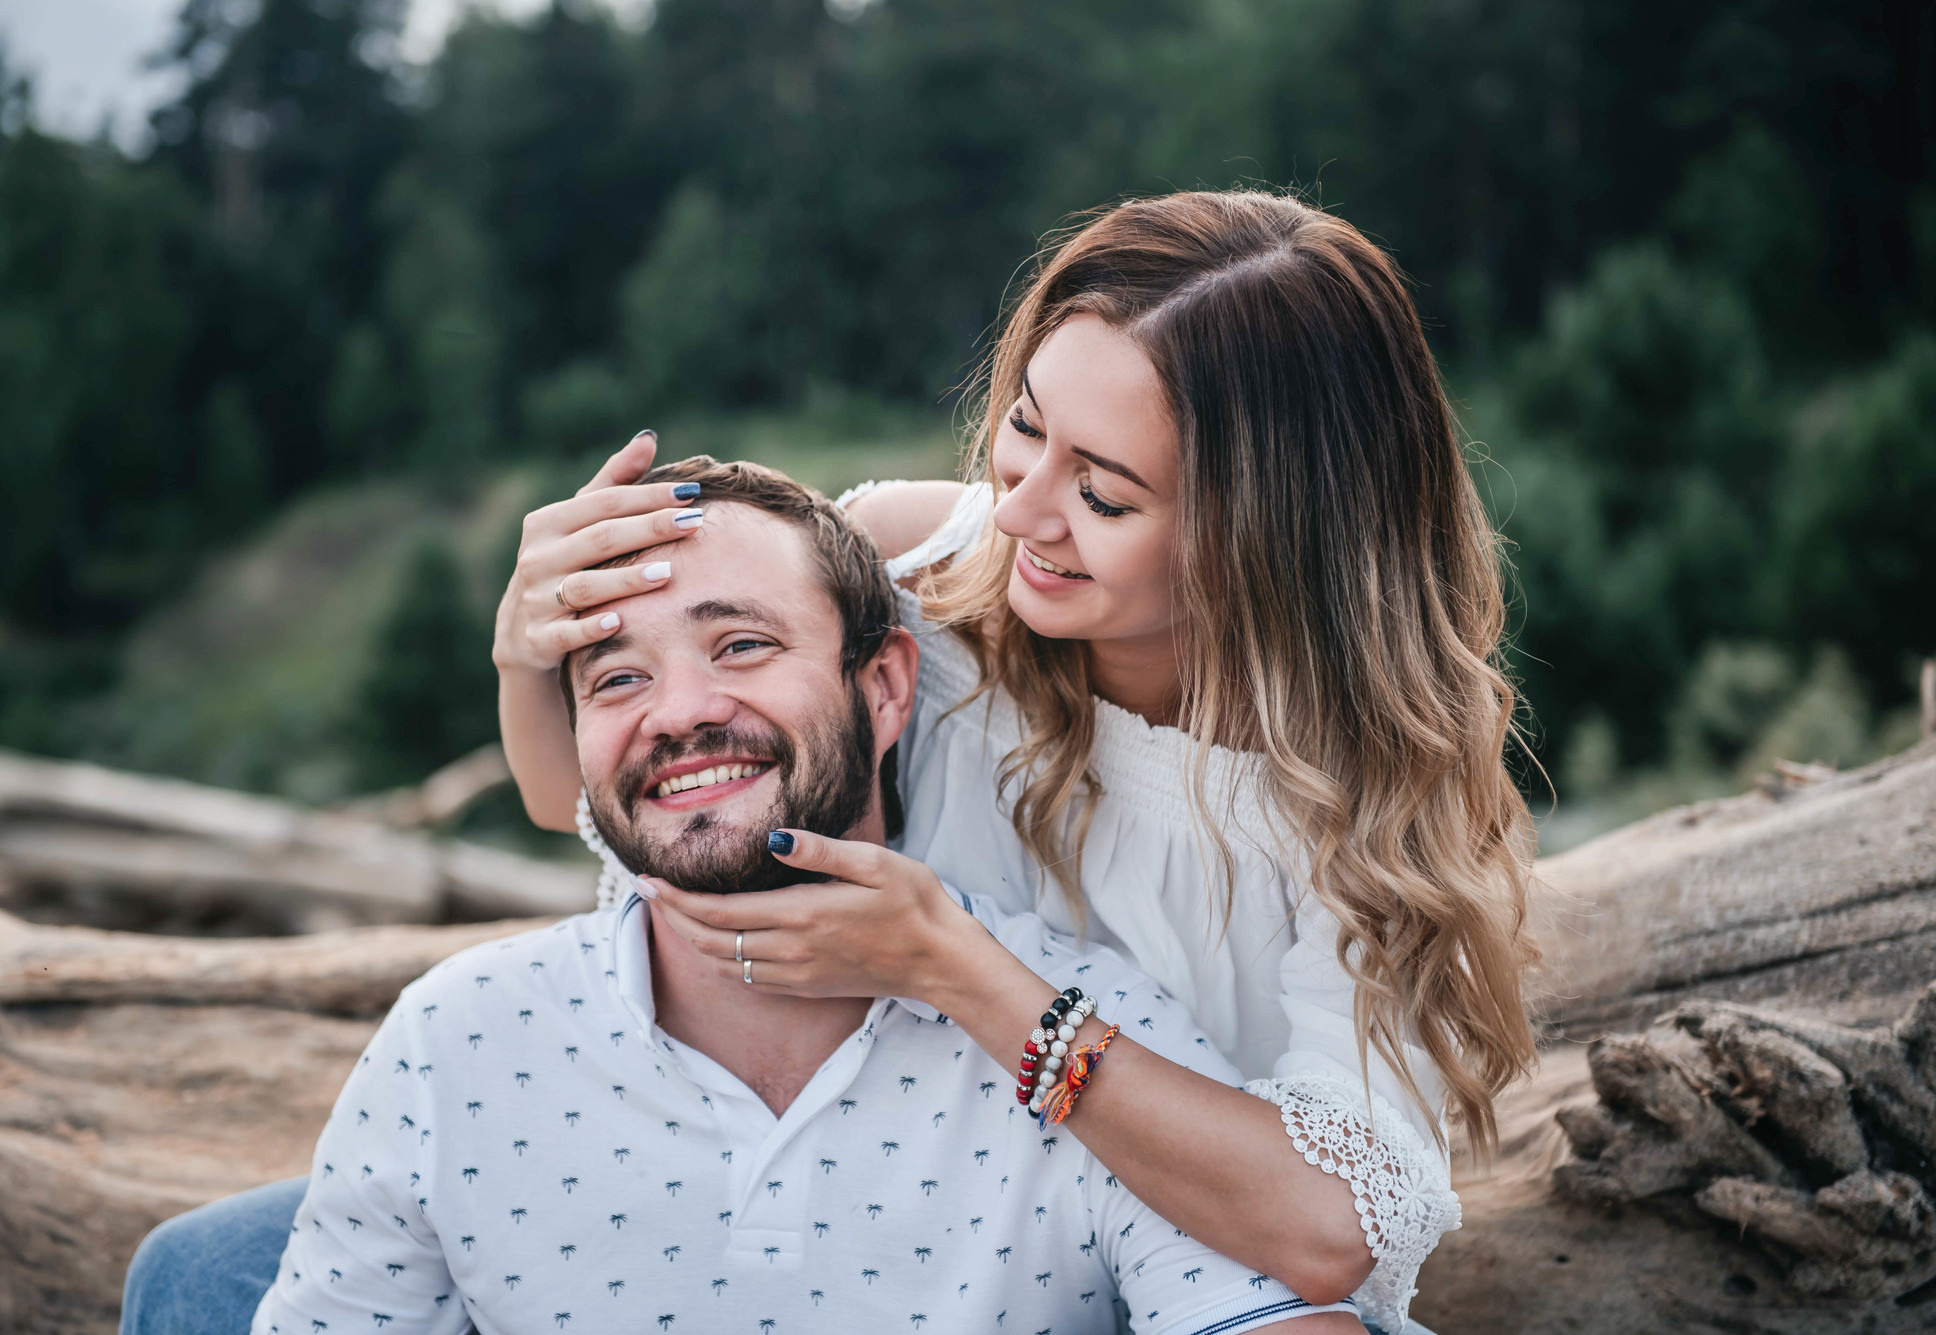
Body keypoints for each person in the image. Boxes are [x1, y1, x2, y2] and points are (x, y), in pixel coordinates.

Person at [490, 191, 1539, 1333]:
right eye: (1027, 427)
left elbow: (1332, 1230)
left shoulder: (1380, 802)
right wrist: (521, 646)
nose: (1020, 510)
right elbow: (573, 801)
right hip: (819, 1220)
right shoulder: (916, 579)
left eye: (1102, 492)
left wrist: (959, 972)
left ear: (1273, 531)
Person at [243, 460, 1359, 1335]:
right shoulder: (455, 1043)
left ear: (881, 690)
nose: (677, 712)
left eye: (740, 644)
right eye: (616, 678)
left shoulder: (1087, 1037)